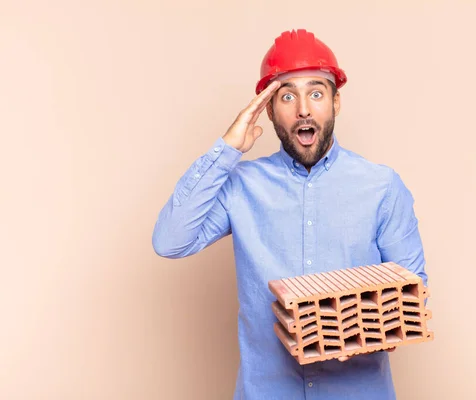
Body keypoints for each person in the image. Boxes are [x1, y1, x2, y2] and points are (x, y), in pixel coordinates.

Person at [152, 28, 428, 400]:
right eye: (287, 96)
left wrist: (369, 327)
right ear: (268, 110)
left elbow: (412, 294)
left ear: (336, 103)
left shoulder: (381, 186)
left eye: (316, 93)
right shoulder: (241, 185)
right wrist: (228, 148)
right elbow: (170, 241)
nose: (303, 108)